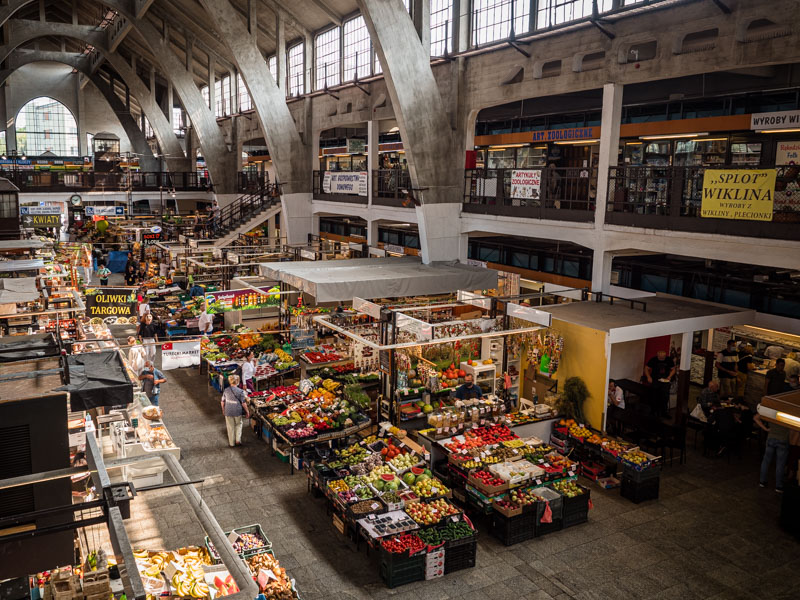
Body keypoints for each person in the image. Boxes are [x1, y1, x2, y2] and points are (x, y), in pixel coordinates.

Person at [755, 411, 790, 492]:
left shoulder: (771, 409)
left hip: (771, 437)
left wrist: (766, 429)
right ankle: (778, 486)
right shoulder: (789, 411)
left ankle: (762, 481)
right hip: (783, 439)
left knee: (766, 461)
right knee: (780, 464)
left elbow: (756, 418)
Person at [221, 374, 249, 447]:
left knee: (230, 427)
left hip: (228, 411)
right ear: (237, 382)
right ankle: (237, 440)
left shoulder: (226, 390)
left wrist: (223, 410)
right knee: (239, 425)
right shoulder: (240, 391)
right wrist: (247, 411)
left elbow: (222, 401)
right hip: (237, 411)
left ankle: (231, 443)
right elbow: (243, 403)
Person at [645, 349, 676, 416]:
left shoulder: (669, 360)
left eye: (663, 357)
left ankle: (664, 412)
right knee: (653, 395)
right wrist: (648, 377)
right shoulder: (653, 359)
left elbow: (673, 369)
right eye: (660, 358)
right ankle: (653, 411)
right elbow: (646, 368)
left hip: (665, 379)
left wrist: (670, 376)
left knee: (665, 396)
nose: (662, 359)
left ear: (665, 356)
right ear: (657, 356)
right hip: (655, 379)